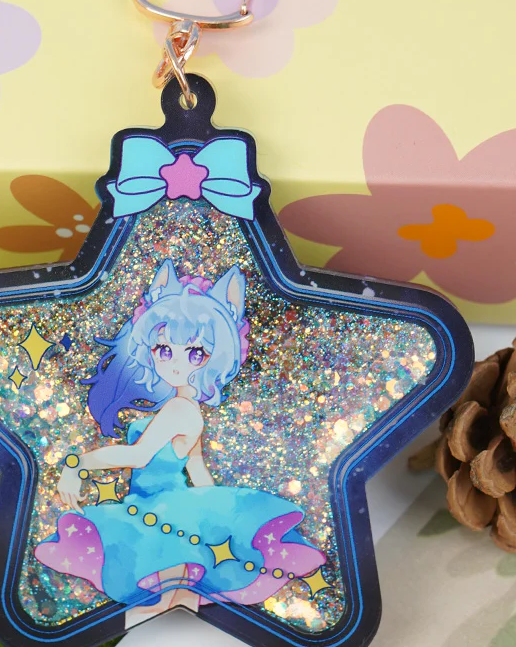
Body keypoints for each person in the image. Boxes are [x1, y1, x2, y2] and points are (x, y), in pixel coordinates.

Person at [35, 259, 325, 627]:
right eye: (163, 348)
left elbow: (138, 456)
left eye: (195, 353)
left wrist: (76, 463)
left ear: (214, 358)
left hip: (161, 512)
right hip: (166, 510)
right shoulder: (186, 409)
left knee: (155, 603)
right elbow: (196, 467)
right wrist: (216, 516)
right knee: (177, 598)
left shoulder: (179, 409)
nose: (174, 363)